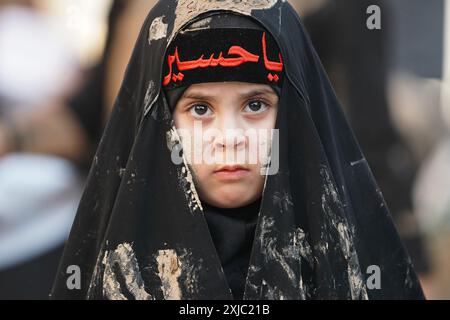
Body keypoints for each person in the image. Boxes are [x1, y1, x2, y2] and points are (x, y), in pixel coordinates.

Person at [51, 0, 424, 300]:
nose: (230, 137)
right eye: (200, 109)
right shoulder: (119, 273)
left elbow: (376, 132)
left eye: (256, 105)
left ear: (295, 113)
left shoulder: (350, 267)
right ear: (162, 123)